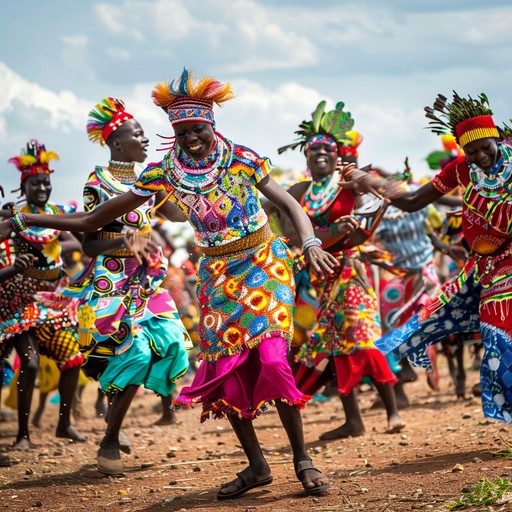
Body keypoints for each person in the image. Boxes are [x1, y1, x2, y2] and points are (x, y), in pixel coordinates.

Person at [0, 70, 336, 497]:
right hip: (215, 276)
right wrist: (27, 218)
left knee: (272, 360)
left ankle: (303, 460)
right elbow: (91, 222)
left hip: (262, 265)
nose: (191, 138)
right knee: (224, 372)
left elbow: (288, 202)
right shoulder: (163, 173)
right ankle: (256, 466)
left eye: (198, 129)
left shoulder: (243, 158)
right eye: (182, 132)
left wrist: (308, 242)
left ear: (212, 125)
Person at [348, 92, 512, 424]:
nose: (480, 156)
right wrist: (371, 182)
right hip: (487, 266)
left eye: (485, 147)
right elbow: (411, 202)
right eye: (471, 150)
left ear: (496, 138)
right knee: (495, 338)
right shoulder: (460, 170)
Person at [61, 97, 191, 474]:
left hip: (149, 283)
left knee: (170, 345)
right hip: (112, 285)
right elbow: (87, 243)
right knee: (133, 355)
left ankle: (113, 424)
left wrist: (183, 174)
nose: (145, 140)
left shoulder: (148, 178)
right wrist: (125, 241)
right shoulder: (97, 182)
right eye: (138, 134)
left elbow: (178, 214)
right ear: (117, 142)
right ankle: (109, 440)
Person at [277, 101, 404, 439]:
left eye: (327, 149)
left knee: (362, 337)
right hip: (317, 277)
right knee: (333, 344)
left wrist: (350, 219)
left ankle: (392, 412)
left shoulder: (349, 184)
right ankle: (354, 421)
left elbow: (370, 218)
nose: (320, 153)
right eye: (313, 149)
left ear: (338, 156)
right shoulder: (299, 192)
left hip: (350, 270)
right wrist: (332, 232)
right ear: (305, 158)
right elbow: (291, 235)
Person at [0, 141, 86, 449]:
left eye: (46, 182)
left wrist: (54, 247)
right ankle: (23, 434)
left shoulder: (56, 214)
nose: (42, 187)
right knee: (31, 364)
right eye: (35, 183)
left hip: (53, 301)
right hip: (19, 302)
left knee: (73, 358)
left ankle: (64, 424)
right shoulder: (15, 216)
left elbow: (77, 243)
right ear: (23, 186)